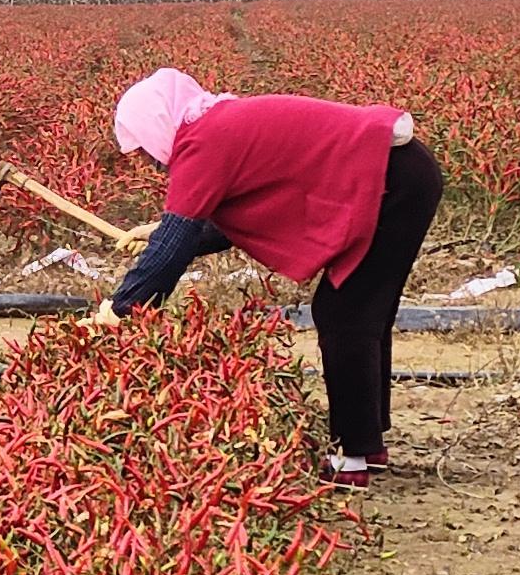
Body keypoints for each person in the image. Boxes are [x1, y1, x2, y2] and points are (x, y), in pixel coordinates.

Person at [88, 69, 442, 487]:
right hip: (401, 173)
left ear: (158, 124)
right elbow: (209, 228)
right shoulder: (215, 123)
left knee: (345, 315)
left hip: (390, 181)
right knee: (361, 311)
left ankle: (352, 459)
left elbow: (174, 248)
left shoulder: (202, 142)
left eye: (146, 149)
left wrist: (122, 308)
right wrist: (160, 232)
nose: (151, 160)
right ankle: (367, 445)